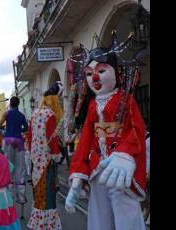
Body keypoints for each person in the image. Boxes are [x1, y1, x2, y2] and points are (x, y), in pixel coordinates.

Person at [65, 31, 147, 230]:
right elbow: (85, 140)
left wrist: (125, 155)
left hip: (120, 171)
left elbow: (137, 130)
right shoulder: (93, 106)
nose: (95, 78)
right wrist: (77, 174)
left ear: (115, 72)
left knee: (126, 218)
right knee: (100, 220)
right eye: (89, 73)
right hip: (98, 171)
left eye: (101, 71)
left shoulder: (126, 100)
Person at [26, 82, 64, 229]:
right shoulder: (50, 114)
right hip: (47, 159)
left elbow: (30, 136)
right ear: (54, 100)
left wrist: (31, 152)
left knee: (38, 188)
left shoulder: (35, 113)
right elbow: (52, 137)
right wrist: (56, 154)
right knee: (48, 189)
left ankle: (38, 220)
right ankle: (47, 224)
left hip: (36, 158)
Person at [0, 96, 28, 205]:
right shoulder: (21, 115)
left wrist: (6, 128)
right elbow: (26, 128)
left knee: (9, 166)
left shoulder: (7, 113)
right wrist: (19, 129)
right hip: (19, 141)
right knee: (20, 167)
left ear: (10, 103)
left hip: (9, 140)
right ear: (18, 104)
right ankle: (21, 197)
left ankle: (9, 195)